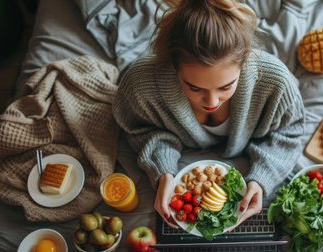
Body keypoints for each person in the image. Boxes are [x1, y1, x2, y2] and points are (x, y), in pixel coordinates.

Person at [112, 0, 305, 229]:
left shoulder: (276, 82)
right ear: (173, 67)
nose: (212, 102)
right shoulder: (140, 85)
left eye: (226, 87)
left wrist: (262, 179)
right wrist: (163, 170)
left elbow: (290, 130)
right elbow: (139, 129)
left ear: (244, 63)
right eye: (194, 87)